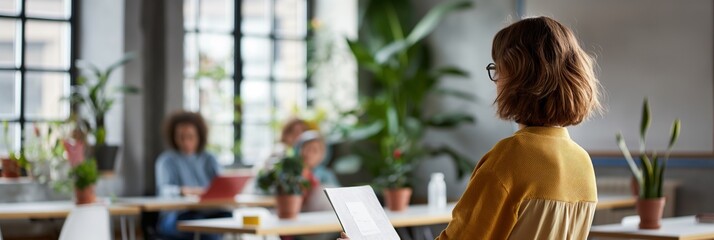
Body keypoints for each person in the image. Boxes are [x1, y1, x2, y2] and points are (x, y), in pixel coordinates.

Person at [340, 16, 601, 239]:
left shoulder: (511, 157)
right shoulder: (582, 163)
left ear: (519, 77)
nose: (496, 80)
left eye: (499, 69)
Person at [155, 111, 230, 240]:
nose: (186, 142)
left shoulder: (209, 158)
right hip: (176, 216)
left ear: (200, 136)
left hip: (208, 212)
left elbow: (223, 185)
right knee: (205, 229)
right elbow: (163, 191)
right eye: (181, 137)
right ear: (173, 137)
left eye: (190, 136)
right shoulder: (166, 161)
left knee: (227, 219)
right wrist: (182, 191)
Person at [295, 130, 340, 212]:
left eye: (315, 151)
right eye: (306, 148)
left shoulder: (326, 175)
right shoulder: (292, 172)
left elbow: (337, 198)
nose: (309, 154)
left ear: (322, 155)